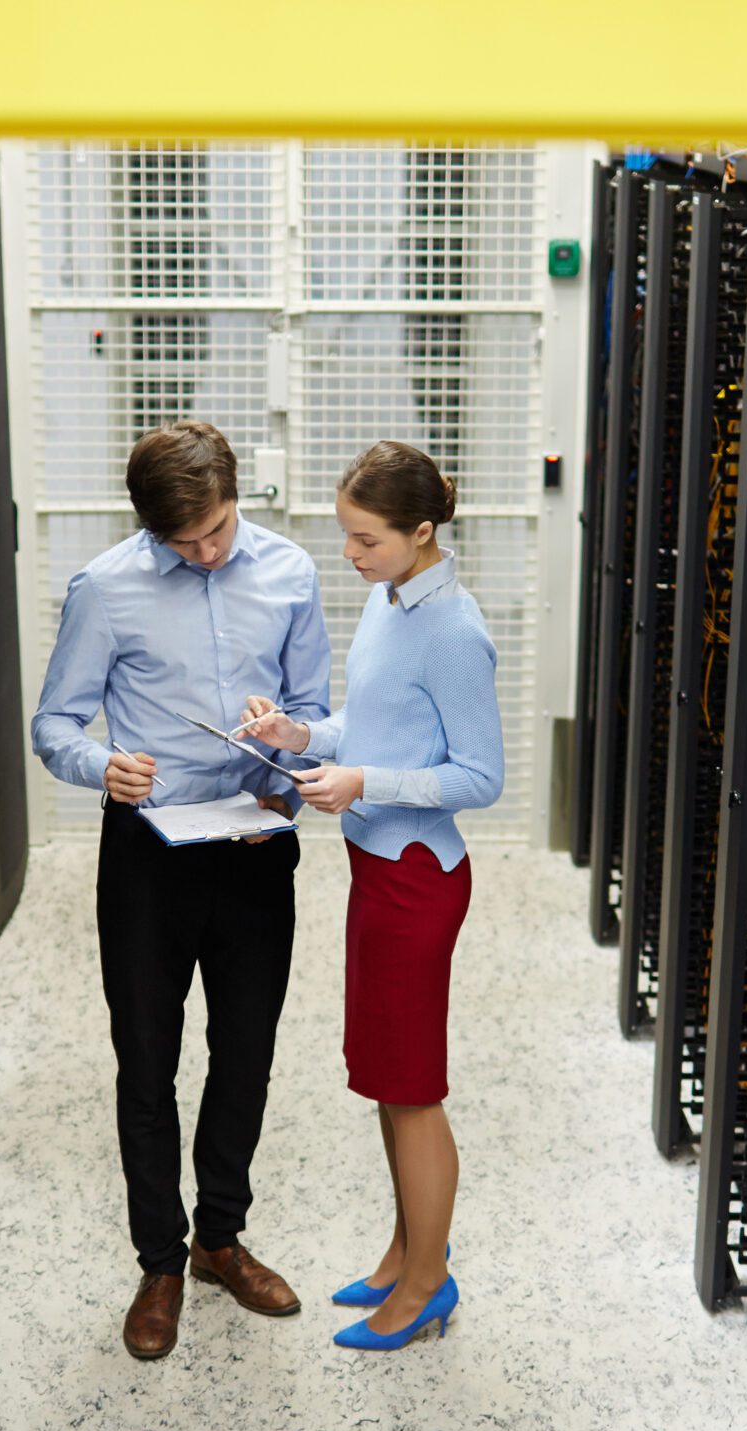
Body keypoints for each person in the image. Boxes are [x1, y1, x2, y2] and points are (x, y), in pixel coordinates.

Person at [31, 421, 333, 1361]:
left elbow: (320, 712)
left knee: (246, 1054)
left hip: (253, 839)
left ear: (238, 496)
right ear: (151, 531)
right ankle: (159, 1260)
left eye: (217, 531)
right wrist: (100, 763)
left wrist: (287, 738)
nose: (205, 553)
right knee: (147, 1060)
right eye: (184, 543)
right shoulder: (106, 588)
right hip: (150, 852)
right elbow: (54, 721)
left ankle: (220, 1240)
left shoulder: (290, 573)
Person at [241, 441, 502, 1351]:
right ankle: (402, 1250)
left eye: (364, 541)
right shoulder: (392, 603)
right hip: (376, 868)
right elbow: (376, 721)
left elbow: (479, 776)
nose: (349, 558)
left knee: (414, 1087)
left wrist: (365, 783)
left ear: (421, 532)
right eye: (346, 539)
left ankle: (428, 1281)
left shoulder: (454, 631)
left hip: (418, 879)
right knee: (389, 1080)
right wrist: (302, 731)